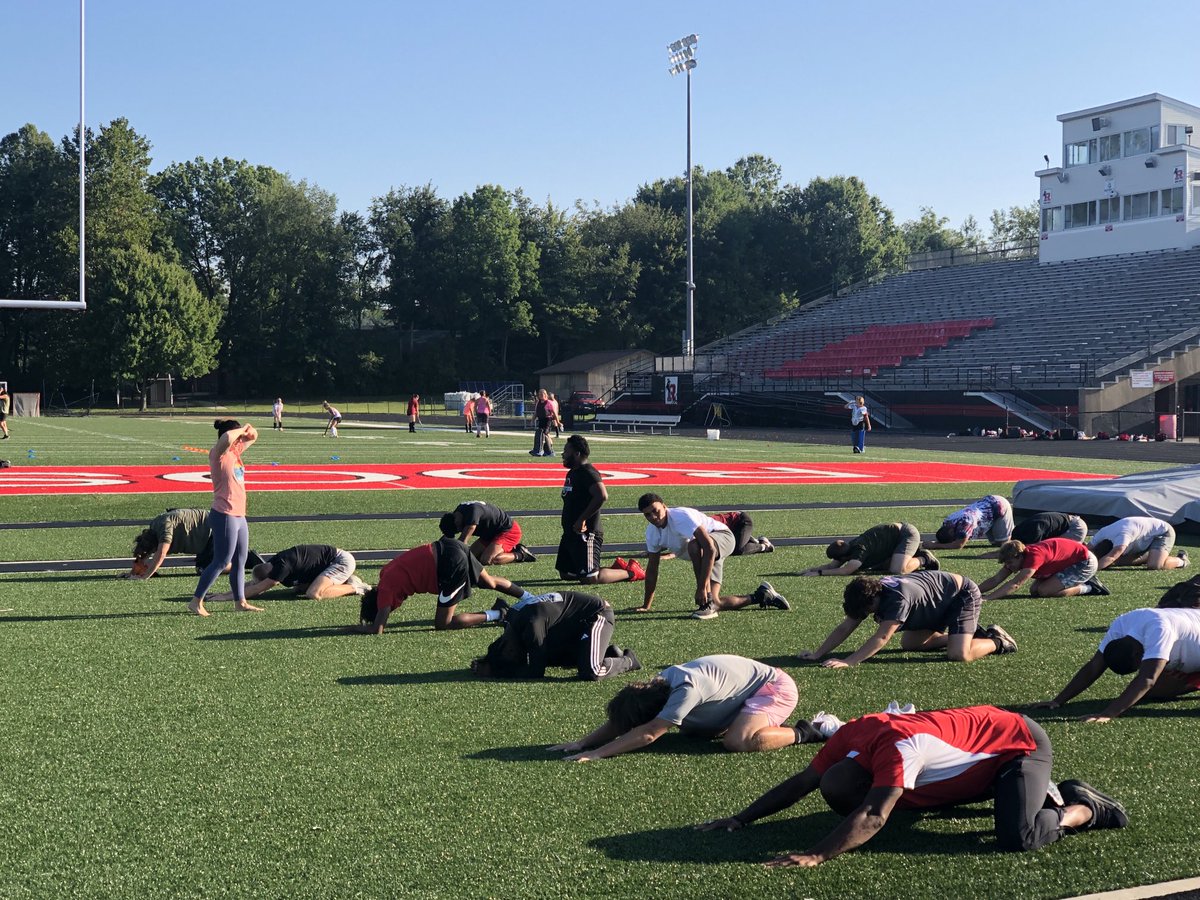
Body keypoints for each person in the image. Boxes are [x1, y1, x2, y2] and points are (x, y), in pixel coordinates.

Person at [696, 705, 1128, 866]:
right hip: (975, 754)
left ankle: (1080, 806)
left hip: (1018, 744)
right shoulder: (853, 734)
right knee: (906, 793)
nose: (852, 801)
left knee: (1019, 837)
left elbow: (872, 814)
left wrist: (816, 854)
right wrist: (741, 818)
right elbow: (804, 781)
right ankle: (1008, 789)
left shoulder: (900, 749)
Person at [549, 654, 823, 760]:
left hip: (774, 687)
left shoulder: (686, 690)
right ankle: (736, 719)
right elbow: (628, 721)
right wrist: (582, 742)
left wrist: (599, 753)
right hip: (740, 690)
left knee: (737, 742)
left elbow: (649, 732)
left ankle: (808, 731)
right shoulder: (659, 684)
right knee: (694, 732)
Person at [797, 571, 1017, 666]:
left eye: (868, 610)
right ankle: (968, 635)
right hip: (936, 602)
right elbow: (846, 626)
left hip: (960, 595)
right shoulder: (873, 594)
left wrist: (850, 661)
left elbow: (882, 638)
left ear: (875, 598)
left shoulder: (896, 599)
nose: (866, 614)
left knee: (960, 655)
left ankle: (997, 640)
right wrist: (818, 653)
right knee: (911, 644)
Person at [1031, 606, 1200, 722]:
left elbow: (1147, 678)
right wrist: (1058, 700)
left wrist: (1109, 713)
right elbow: (1093, 666)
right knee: (1151, 692)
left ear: (1136, 654)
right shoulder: (1120, 626)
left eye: (1139, 663)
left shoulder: (1159, 629)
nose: (1141, 666)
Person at [637, 492, 790, 619]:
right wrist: (646, 605)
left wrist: (702, 588)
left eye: (655, 511)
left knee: (694, 545)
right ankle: (762, 596)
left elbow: (709, 547)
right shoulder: (652, 533)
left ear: (664, 506)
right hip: (707, 556)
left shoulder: (681, 517)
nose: (653, 517)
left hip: (722, 537)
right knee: (716, 603)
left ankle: (706, 600)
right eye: (647, 515)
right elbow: (652, 570)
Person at [355, 535, 529, 634]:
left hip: (449, 565)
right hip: (450, 546)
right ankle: (529, 598)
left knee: (443, 623)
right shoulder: (385, 574)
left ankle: (499, 613)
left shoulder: (386, 592)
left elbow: (377, 629)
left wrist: (352, 628)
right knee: (488, 581)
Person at [470, 591, 641, 680]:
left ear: (508, 647)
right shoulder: (513, 622)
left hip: (597, 614)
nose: (518, 656)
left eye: (513, 655)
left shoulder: (531, 626)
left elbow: (536, 672)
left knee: (590, 673)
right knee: (546, 655)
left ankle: (628, 661)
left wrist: (502, 672)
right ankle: (606, 654)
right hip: (570, 626)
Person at [189, 419, 262, 616]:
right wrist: (240, 431)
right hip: (224, 514)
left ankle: (240, 602)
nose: (241, 441)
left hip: (239, 515)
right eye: (238, 437)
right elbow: (228, 437)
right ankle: (196, 601)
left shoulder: (235, 453)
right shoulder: (218, 454)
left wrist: (246, 430)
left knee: (240, 560)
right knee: (221, 561)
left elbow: (254, 435)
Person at [556, 434, 646, 586]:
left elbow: (602, 495)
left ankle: (631, 571)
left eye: (566, 450)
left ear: (577, 453)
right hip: (570, 532)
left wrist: (582, 519)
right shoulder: (573, 472)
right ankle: (612, 569)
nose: (563, 454)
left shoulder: (588, 472)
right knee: (566, 573)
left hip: (586, 532)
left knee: (590, 578)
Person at [129, 508, 265, 579]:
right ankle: (239, 557)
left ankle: (245, 559)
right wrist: (133, 572)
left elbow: (161, 553)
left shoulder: (165, 529)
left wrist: (146, 575)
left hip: (216, 530)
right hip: (205, 537)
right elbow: (146, 554)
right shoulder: (154, 526)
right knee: (202, 567)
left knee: (208, 570)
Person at [210, 544, 367, 602]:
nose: (256, 584)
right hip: (319, 566)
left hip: (341, 561)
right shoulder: (273, 565)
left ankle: (356, 587)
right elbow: (253, 585)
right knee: (300, 589)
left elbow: (257, 589)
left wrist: (225, 598)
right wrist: (226, 593)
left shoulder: (281, 569)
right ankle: (343, 581)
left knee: (314, 594)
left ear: (273, 579)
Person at [980, 538, 1108, 600]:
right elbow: (996, 579)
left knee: (1044, 591)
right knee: (1034, 590)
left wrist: (988, 598)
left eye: (1009, 562)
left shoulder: (1034, 557)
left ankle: (1089, 587)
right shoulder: (1018, 557)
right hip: (1068, 561)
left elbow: (1015, 584)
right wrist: (974, 592)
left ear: (1018, 556)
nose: (1008, 566)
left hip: (1084, 562)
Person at [803, 522, 936, 577]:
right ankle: (906, 556)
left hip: (906, 534)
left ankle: (924, 558)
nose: (836, 561)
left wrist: (820, 574)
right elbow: (832, 566)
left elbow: (847, 570)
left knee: (897, 570)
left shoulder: (859, 549)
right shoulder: (848, 548)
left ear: (844, 557)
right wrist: (812, 569)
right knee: (884, 567)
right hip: (892, 541)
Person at [439, 500, 537, 565]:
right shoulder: (458, 513)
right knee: (472, 558)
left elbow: (462, 544)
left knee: (487, 559)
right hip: (490, 533)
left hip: (508, 531)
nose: (461, 531)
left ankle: (520, 554)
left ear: (456, 522)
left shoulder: (471, 518)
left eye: (459, 530)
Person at [1088, 516, 1189, 571]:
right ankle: (1150, 555)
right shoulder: (1101, 533)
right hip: (1142, 534)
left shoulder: (1123, 537)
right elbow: (1087, 549)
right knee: (1113, 562)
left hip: (1163, 532)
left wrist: (1093, 569)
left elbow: (1111, 557)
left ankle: (1181, 560)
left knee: (1155, 565)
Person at [977, 512, 1087, 559]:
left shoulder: (1033, 534)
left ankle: (1089, 550)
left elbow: (1032, 551)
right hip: (1067, 523)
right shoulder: (1017, 532)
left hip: (1075, 527)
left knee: (1061, 552)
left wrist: (999, 554)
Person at [923, 494, 1014, 550]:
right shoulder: (947, 521)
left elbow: (958, 545)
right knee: (995, 543)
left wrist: (935, 546)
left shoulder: (965, 524)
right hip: (988, 506)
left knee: (1003, 545)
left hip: (999, 505)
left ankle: (1022, 541)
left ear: (951, 531)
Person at [710, 511, 774, 555]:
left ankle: (765, 546)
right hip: (733, 527)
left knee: (739, 549)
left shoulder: (706, 525)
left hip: (742, 521)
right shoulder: (703, 523)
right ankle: (755, 541)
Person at [531, 388, 555, 457]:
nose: (541, 395)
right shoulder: (538, 403)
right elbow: (536, 413)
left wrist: (558, 422)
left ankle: (547, 450)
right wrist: (532, 420)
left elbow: (554, 413)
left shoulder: (549, 403)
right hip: (541, 420)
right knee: (540, 433)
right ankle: (547, 451)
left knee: (544, 433)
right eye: (540, 394)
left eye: (542, 394)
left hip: (548, 421)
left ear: (545, 395)